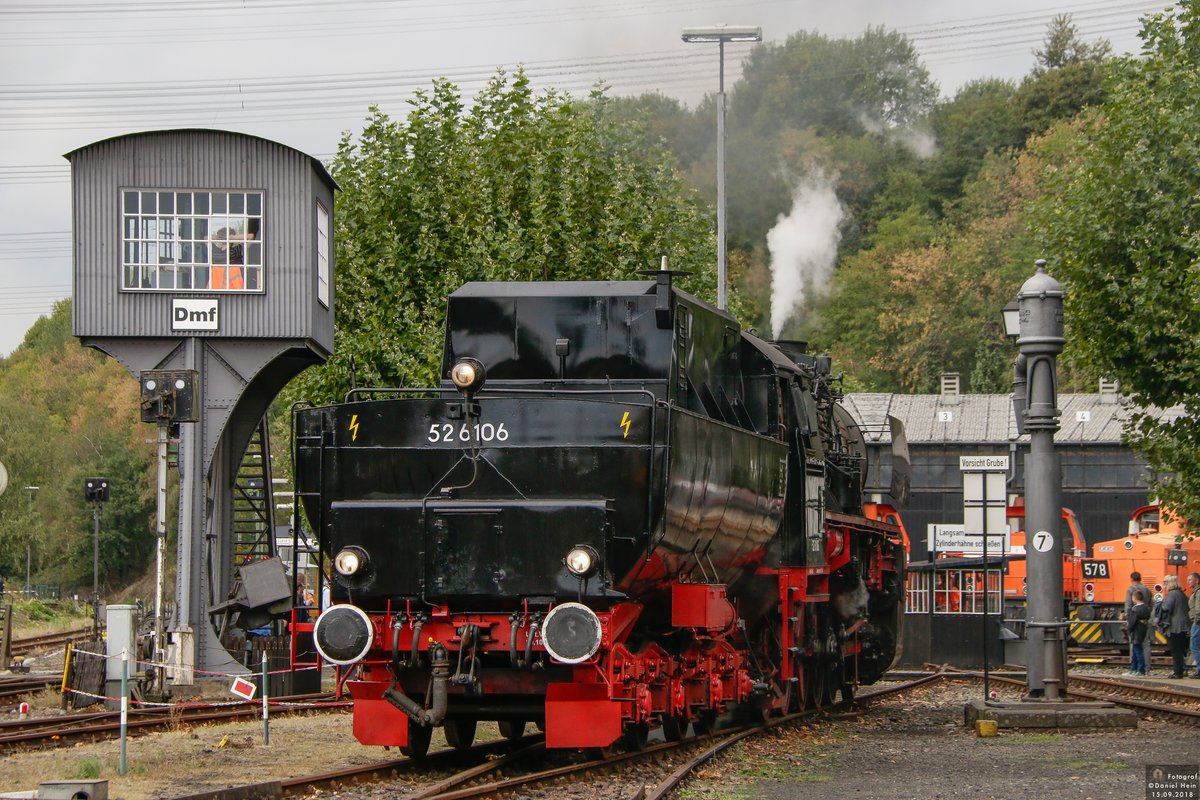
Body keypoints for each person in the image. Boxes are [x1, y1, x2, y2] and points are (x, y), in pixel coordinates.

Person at [1160, 574, 1191, 678]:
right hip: (1184, 625)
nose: (1163, 584)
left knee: (1175, 650)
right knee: (1180, 650)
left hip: (1174, 627)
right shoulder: (1182, 594)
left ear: (1169, 583)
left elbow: (1166, 609)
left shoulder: (1171, 595)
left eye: (1165, 582)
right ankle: (1182, 670)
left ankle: (1178, 672)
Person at [1124, 571, 1153, 673]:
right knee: (1146, 644)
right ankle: (1146, 667)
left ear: (1131, 579)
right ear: (1140, 578)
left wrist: (1128, 620)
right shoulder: (1147, 590)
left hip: (1135, 623)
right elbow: (1151, 605)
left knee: (1135, 645)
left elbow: (1128, 607)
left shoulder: (1131, 590)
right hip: (1145, 622)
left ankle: (1135, 669)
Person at [1188, 571, 1200, 678]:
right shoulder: (1195, 592)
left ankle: (1199, 670)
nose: (1188, 582)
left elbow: (1198, 609)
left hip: (1197, 623)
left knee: (1195, 646)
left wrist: (1196, 621)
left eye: (1190, 580)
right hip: (1196, 622)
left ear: (1196, 581)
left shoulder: (1198, 592)